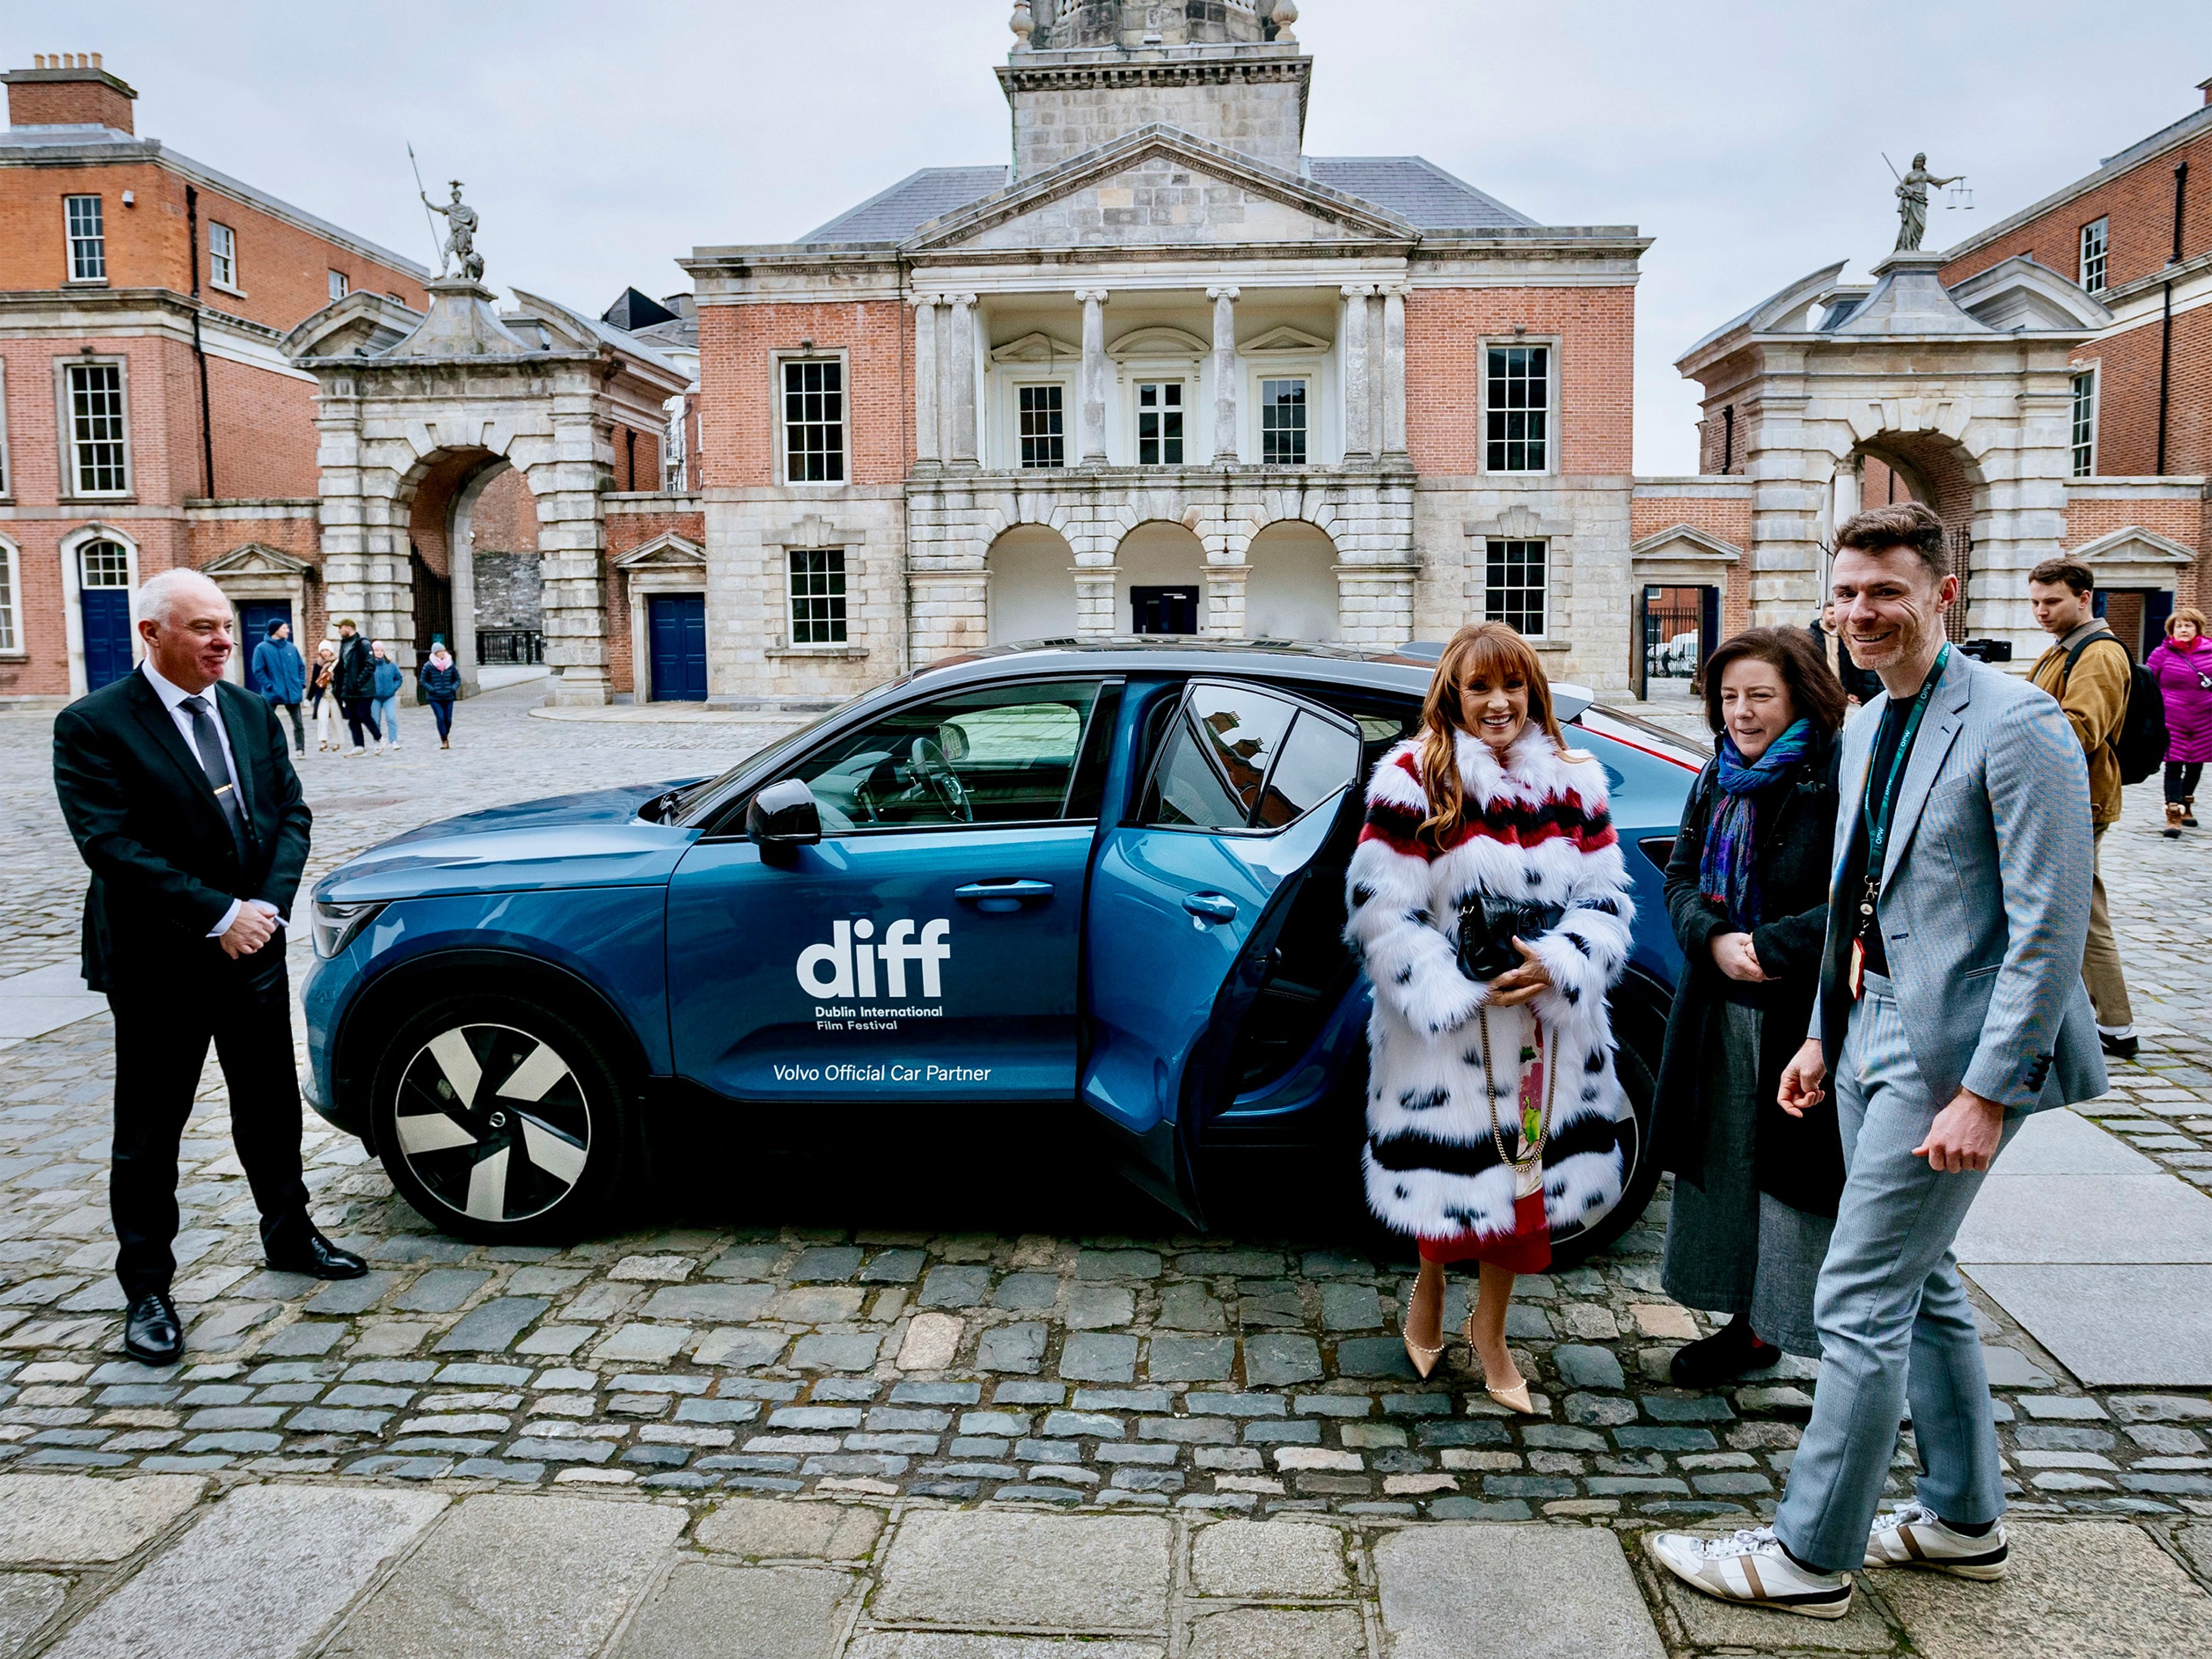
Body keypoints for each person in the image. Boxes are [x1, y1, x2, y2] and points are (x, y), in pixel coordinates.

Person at [1652, 500, 2103, 1618]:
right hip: (1864, 1029)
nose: (1862, 612)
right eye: (1848, 592)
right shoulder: (1863, 725)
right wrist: (1816, 1033)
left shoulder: (2018, 723)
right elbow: (1861, 897)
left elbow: (2051, 929)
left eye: (1887, 591)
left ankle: (1810, 1555)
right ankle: (1961, 1519)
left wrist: (1988, 1094)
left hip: (1950, 1050)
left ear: (1944, 595)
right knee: (1926, 1281)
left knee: (1858, 1296)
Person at [51, 569, 368, 1368]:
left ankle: (289, 1233)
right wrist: (216, 915)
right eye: (202, 628)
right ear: (152, 635)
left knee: (268, 1105)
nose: (223, 640)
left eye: (225, 625)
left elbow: (289, 815)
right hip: (159, 962)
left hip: (252, 950)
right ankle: (148, 1288)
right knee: (152, 1129)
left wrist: (262, 910)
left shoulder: (252, 712)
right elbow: (112, 846)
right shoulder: (93, 725)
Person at [1348, 622, 1638, 1411]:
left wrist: (1562, 964)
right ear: (1454, 694)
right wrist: (1457, 990)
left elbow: (1606, 898)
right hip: (1448, 1030)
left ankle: (1492, 1330)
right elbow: (1382, 913)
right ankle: (1432, 1282)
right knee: (1446, 1179)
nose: (1498, 702)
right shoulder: (1412, 779)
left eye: (1512, 686)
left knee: (1522, 1192)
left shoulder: (1576, 780)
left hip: (1544, 1025)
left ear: (1532, 693)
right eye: (1480, 687)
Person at [1656, 627, 1846, 1386]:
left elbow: (1867, 895)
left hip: (1806, 1014)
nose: (1742, 712)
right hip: (1720, 1004)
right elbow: (1678, 877)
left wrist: (1771, 944)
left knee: (1797, 1185)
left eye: (1760, 696)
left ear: (1799, 694)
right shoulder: (1718, 775)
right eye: (1730, 697)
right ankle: (1748, 1326)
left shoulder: (1838, 771)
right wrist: (1713, 938)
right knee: (1730, 1166)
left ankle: (1828, 1342)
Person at [2025, 559, 2135, 1060]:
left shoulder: (2098, 653)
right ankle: (2096, 1018)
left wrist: (2008, 734)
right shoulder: (2064, 650)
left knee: (2082, 914)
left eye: (2053, 602)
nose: (2042, 612)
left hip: (2080, 800)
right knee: (2075, 909)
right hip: (2064, 797)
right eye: (2036, 602)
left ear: (2084, 597)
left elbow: (2080, 729)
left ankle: (2116, 1024)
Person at [2147, 605, 2211, 838]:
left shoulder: (2210, 653)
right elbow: (2149, 684)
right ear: (2171, 630)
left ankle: (2187, 804)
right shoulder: (2161, 654)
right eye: (2179, 626)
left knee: (2197, 764)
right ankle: (2173, 813)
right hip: (2173, 719)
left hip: (2205, 719)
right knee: (2174, 764)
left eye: (2188, 626)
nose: (2183, 630)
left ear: (2198, 629)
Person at [249, 620, 306, 756]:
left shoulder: (291, 648)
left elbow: (301, 667)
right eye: (284, 628)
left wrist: (301, 684)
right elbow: (258, 670)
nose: (288, 630)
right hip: (272, 693)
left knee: (298, 724)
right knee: (266, 723)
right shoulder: (261, 648)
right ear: (275, 630)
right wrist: (269, 686)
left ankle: (300, 749)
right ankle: (265, 748)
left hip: (292, 692)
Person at [1811, 601, 1880, 706]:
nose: (1834, 617)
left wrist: (1853, 690)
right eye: (1831, 613)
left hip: (1840, 691)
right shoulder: (1811, 636)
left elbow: (1853, 666)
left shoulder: (1847, 636)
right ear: (1822, 614)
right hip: (1819, 690)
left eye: (1837, 613)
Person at [334, 619, 379, 755]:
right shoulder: (344, 644)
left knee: (363, 714)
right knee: (352, 717)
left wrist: (359, 681)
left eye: (340, 627)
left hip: (363, 689)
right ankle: (359, 745)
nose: (339, 631)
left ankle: (379, 738)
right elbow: (343, 666)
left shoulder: (363, 644)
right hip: (348, 688)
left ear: (348, 628)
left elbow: (370, 665)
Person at [420, 639, 461, 748]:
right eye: (439, 651)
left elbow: (457, 679)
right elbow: (423, 681)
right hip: (435, 697)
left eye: (443, 651)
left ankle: (445, 734)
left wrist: (453, 688)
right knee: (441, 717)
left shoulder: (450, 665)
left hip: (448, 696)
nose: (442, 653)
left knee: (448, 720)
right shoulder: (428, 666)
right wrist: (432, 689)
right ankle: (444, 740)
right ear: (435, 654)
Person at [369, 641, 404, 753]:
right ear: (373, 652)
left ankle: (394, 741)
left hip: (389, 697)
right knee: (375, 721)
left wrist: (393, 688)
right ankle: (377, 742)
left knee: (391, 718)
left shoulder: (391, 665)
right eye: (376, 650)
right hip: (375, 697)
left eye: (381, 650)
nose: (379, 653)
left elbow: (399, 678)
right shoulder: (370, 665)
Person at [308, 641, 338, 752]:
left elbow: (343, 681)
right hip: (323, 696)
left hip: (335, 696)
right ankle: (323, 741)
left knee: (336, 720)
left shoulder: (338, 663)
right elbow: (314, 683)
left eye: (327, 650)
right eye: (323, 651)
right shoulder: (318, 664)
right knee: (323, 719)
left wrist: (333, 679)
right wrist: (308, 698)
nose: (325, 653)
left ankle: (336, 741)